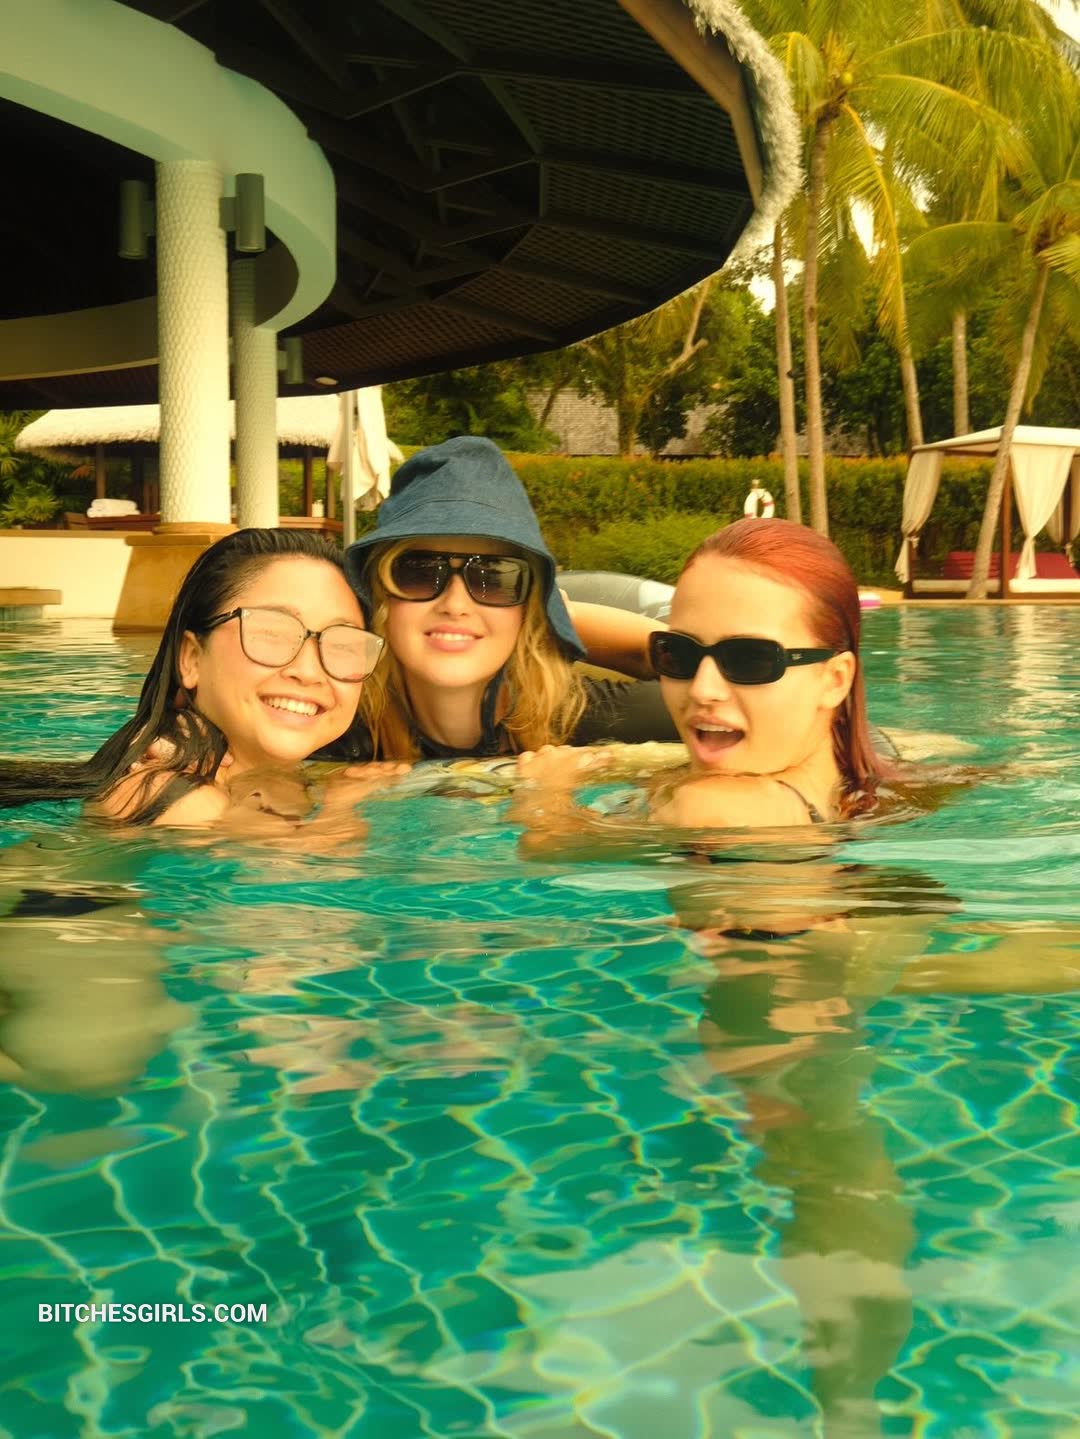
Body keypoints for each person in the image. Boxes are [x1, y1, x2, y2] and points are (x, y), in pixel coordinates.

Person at [515, 517, 892, 831]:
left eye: (749, 659)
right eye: (679, 653)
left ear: (835, 679)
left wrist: (545, 792)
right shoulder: (858, 794)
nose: (702, 689)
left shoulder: (710, 808)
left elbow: (548, 847)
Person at [0, 528, 392, 827]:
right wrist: (342, 807)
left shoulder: (303, 778)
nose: (308, 671)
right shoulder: (167, 796)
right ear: (190, 659)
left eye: (343, 643)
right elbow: (300, 882)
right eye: (272, 631)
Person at [343, 435, 674, 761]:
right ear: (381, 596)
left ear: (529, 605)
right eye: (419, 573)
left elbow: (696, 666)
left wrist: (559, 620)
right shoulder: (340, 728)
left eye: (495, 577)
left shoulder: (571, 716)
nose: (455, 605)